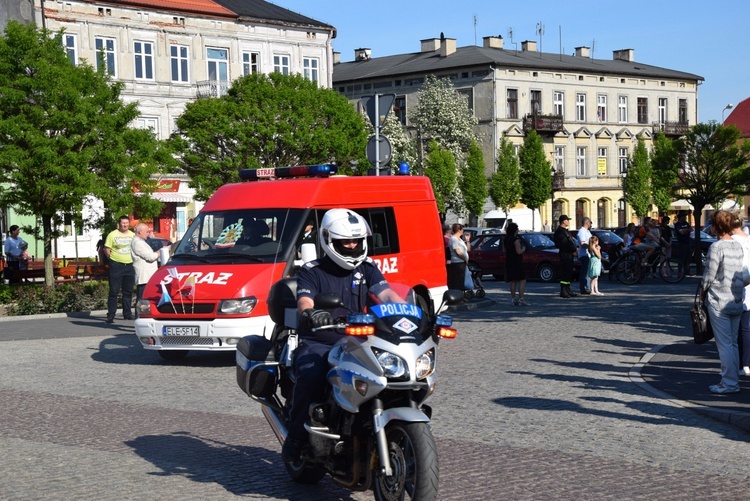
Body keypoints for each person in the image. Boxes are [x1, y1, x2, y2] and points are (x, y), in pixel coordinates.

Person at [282, 208, 405, 463]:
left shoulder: (368, 268)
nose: (351, 246)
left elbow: (387, 295)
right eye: (345, 241)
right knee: (311, 374)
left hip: (357, 339)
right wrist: (311, 313)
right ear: (329, 240)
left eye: (356, 241)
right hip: (320, 340)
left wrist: (406, 313)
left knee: (388, 375)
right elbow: (304, 299)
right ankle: (295, 439)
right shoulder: (312, 270)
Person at [701, 210, 750, 394]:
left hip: (719, 301)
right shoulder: (736, 246)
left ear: (715, 226)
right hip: (736, 299)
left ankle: (728, 383)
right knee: (733, 343)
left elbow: (709, 276)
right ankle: (733, 381)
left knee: (725, 344)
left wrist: (702, 291)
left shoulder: (717, 247)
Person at [104, 215, 135, 323]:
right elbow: (107, 249)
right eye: (123, 223)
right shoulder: (112, 235)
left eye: (127, 223)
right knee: (114, 291)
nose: (125, 225)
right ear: (119, 223)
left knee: (128, 291)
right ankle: (111, 314)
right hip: (116, 266)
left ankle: (127, 313)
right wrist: (112, 260)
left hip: (130, 265)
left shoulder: (133, 235)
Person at [731, 213, 750, 377]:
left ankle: (738, 365)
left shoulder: (731, 241)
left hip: (736, 286)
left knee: (736, 330)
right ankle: (746, 364)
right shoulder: (748, 238)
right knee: (746, 328)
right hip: (748, 282)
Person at [131, 223, 161, 315]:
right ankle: (139, 319)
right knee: (142, 301)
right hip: (144, 277)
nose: (148, 234)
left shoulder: (142, 241)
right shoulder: (137, 243)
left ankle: (143, 318)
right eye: (147, 232)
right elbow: (150, 257)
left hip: (148, 276)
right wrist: (162, 251)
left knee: (146, 300)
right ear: (140, 232)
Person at [553, 215, 578, 298]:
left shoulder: (565, 231)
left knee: (569, 273)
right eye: (567, 220)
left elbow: (570, 242)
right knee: (565, 273)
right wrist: (573, 250)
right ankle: (563, 291)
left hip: (569, 254)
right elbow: (564, 244)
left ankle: (568, 290)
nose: (568, 221)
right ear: (563, 221)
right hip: (565, 254)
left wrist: (574, 249)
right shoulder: (560, 232)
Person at [504, 222, 527, 305]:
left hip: (509, 261)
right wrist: (523, 249)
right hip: (517, 261)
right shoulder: (516, 240)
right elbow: (518, 251)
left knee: (513, 281)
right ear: (515, 230)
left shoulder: (506, 239)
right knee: (522, 280)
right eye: (517, 229)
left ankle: (513, 299)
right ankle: (521, 298)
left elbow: (504, 250)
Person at [448, 223, 468, 291]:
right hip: (457, 262)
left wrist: (467, 240)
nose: (463, 231)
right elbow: (458, 252)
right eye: (462, 229)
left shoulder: (460, 239)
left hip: (462, 262)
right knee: (457, 281)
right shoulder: (454, 239)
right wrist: (465, 258)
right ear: (459, 230)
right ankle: (458, 295)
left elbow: (467, 249)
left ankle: (461, 295)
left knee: (461, 280)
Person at [577, 217, 593, 295]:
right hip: (584, 255)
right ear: (587, 223)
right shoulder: (582, 232)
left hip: (588, 254)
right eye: (590, 223)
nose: (590, 224)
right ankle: (585, 288)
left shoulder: (587, 232)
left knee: (588, 272)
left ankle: (588, 287)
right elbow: (582, 243)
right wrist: (590, 247)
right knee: (585, 272)